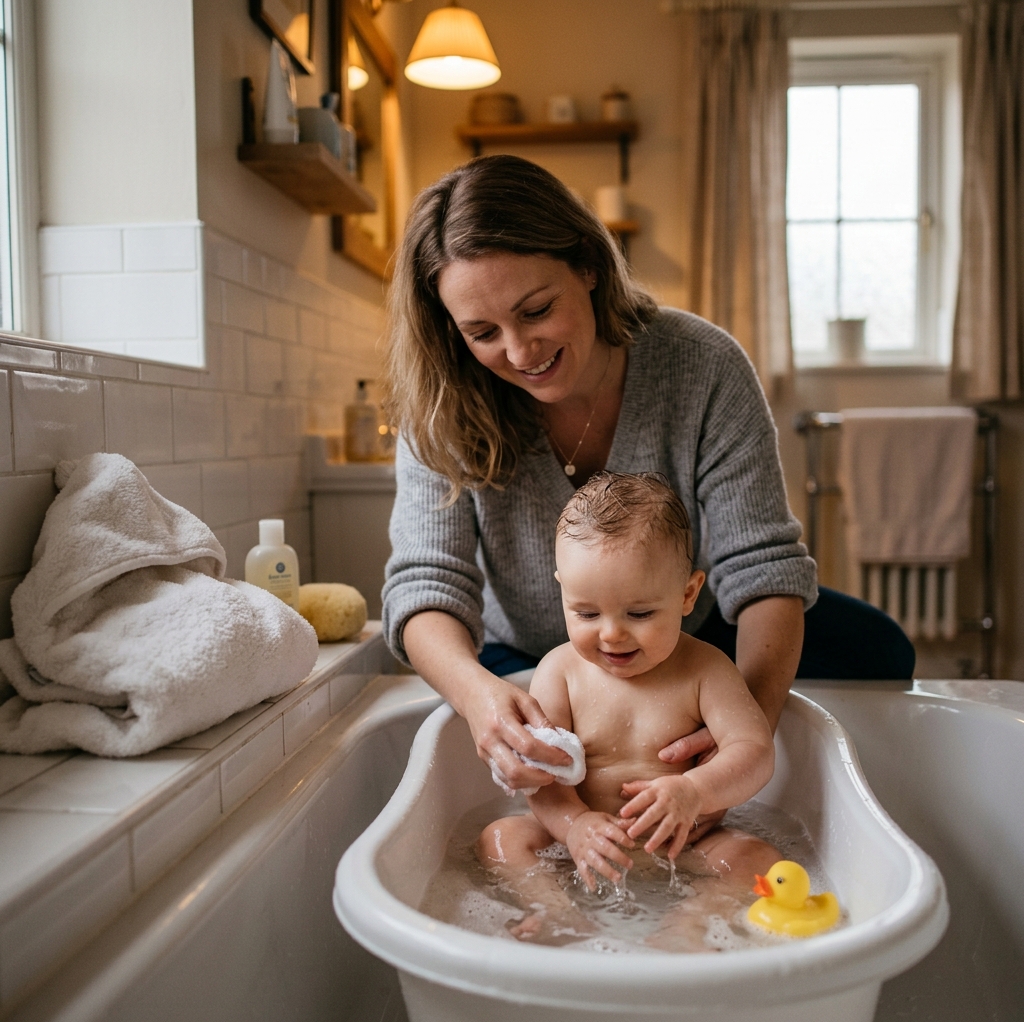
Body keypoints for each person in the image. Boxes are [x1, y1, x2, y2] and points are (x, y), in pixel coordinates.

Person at [381, 154, 914, 822]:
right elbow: (425, 584)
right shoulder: (443, 401)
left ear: (589, 268)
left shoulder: (703, 364)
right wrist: (480, 699)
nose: (519, 353)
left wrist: (735, 745)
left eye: (537, 310)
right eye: (483, 333)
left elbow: (761, 566)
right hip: (521, 646)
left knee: (881, 649)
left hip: (688, 634)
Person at [477, 474, 781, 945]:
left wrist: (694, 792)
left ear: (687, 593)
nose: (612, 634)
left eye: (639, 614)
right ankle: (557, 911)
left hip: (689, 843)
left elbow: (755, 750)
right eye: (586, 613)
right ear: (561, 591)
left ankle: (691, 922)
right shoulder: (559, 672)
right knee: (502, 839)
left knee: (759, 859)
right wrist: (574, 825)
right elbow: (542, 774)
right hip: (578, 844)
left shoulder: (706, 670)